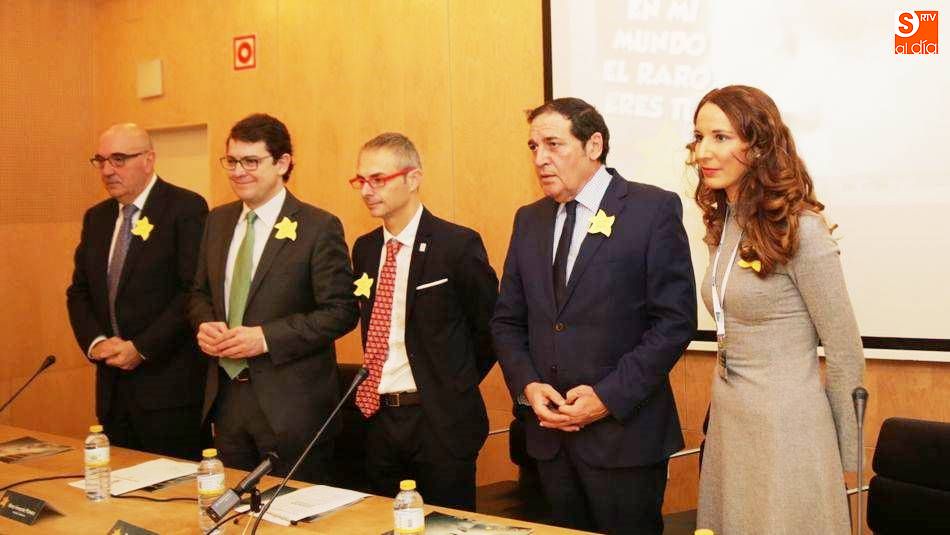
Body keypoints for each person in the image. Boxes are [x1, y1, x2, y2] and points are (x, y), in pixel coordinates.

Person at [491, 98, 696, 534]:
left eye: (552, 144)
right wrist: (529, 386)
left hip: (624, 440)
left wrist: (607, 397)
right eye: (532, 147)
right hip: (548, 441)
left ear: (594, 144)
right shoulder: (529, 220)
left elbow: (674, 322)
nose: (540, 158)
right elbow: (506, 320)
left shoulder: (650, 209)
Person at [689, 85, 865, 534]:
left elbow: (844, 348)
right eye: (699, 137)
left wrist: (841, 455)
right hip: (731, 415)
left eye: (720, 137)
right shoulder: (724, 221)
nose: (703, 152)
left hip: (787, 427)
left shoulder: (802, 229)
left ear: (760, 144)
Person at [186, 113, 359, 482]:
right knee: (233, 510)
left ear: (282, 163)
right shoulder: (217, 221)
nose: (238, 171)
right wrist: (203, 324)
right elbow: (199, 293)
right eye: (231, 161)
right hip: (228, 401)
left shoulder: (318, 227)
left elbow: (342, 312)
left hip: (292, 408)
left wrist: (265, 338)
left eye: (251, 161)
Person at [349, 133, 498, 510]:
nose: (367, 190)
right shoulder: (365, 249)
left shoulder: (457, 244)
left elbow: (489, 329)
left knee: (447, 525)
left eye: (378, 179)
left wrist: (451, 383)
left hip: (439, 421)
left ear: (413, 178)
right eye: (360, 180)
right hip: (377, 419)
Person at [67, 123, 208, 460]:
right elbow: (79, 291)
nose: (107, 170)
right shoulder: (97, 218)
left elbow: (192, 292)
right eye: (100, 161)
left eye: (118, 159)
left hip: (169, 391)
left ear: (149, 159)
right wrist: (97, 342)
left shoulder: (185, 208)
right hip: (113, 390)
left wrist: (141, 348)